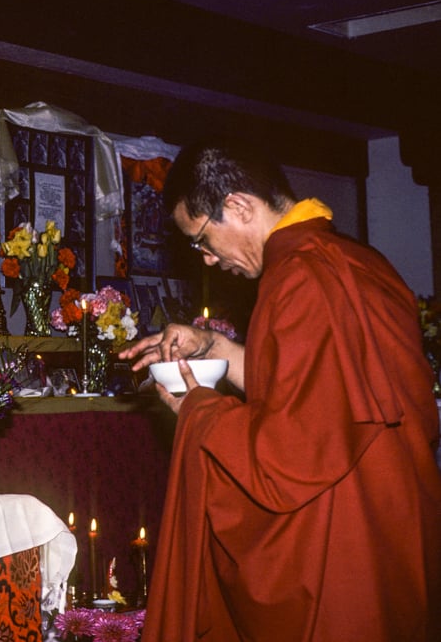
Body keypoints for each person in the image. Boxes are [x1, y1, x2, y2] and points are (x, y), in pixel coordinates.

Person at [119, 139, 441, 641]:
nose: (205, 260)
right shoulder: (354, 258)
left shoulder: (300, 277)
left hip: (343, 546)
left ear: (240, 206)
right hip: (396, 528)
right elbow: (319, 390)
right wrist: (217, 349)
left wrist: (197, 410)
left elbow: (288, 455)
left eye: (202, 239)